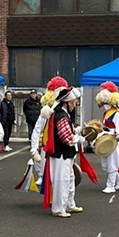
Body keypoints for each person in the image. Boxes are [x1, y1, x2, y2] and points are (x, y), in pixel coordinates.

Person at [40, 82, 84, 218]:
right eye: (74, 102)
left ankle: (69, 205)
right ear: (68, 102)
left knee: (69, 179)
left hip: (63, 154)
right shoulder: (62, 115)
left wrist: (78, 130)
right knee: (62, 181)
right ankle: (59, 208)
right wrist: (80, 138)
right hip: (61, 154)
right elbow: (66, 138)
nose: (75, 104)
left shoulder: (61, 114)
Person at [95, 81, 119, 194]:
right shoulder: (106, 113)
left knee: (112, 164)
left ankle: (110, 185)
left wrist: (115, 133)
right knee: (105, 165)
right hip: (106, 140)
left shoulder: (117, 114)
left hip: (114, 142)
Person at [29, 77, 63, 186]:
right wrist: (34, 147)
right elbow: (37, 129)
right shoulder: (45, 113)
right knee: (41, 161)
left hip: (59, 145)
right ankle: (42, 176)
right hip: (47, 143)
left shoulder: (63, 113)